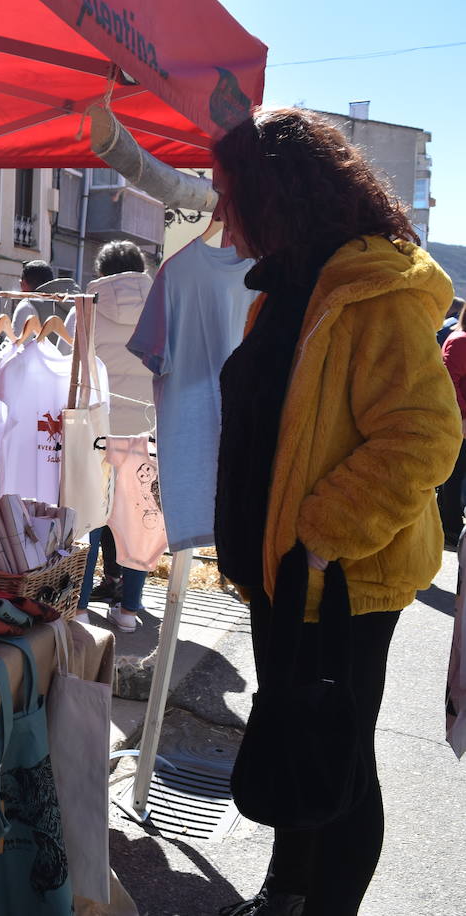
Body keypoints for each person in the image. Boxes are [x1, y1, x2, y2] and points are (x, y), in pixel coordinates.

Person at [211, 108, 459, 916]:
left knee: (341, 761)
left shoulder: (371, 292)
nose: (221, 221)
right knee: (293, 732)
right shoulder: (285, 290)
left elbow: (425, 436)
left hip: (343, 580)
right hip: (283, 575)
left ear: (273, 194)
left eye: (228, 198)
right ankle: (285, 893)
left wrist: (322, 538)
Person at [74, 240, 154, 632]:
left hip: (96, 430)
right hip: (147, 428)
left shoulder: (86, 307)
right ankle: (128, 612)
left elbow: (70, 365)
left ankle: (81, 606)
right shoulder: (163, 306)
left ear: (102, 270)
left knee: (91, 518)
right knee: (138, 518)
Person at [439, 316, 466, 546]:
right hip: (458, 420)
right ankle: (450, 527)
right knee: (454, 473)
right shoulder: (460, 340)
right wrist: (463, 415)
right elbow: (449, 381)